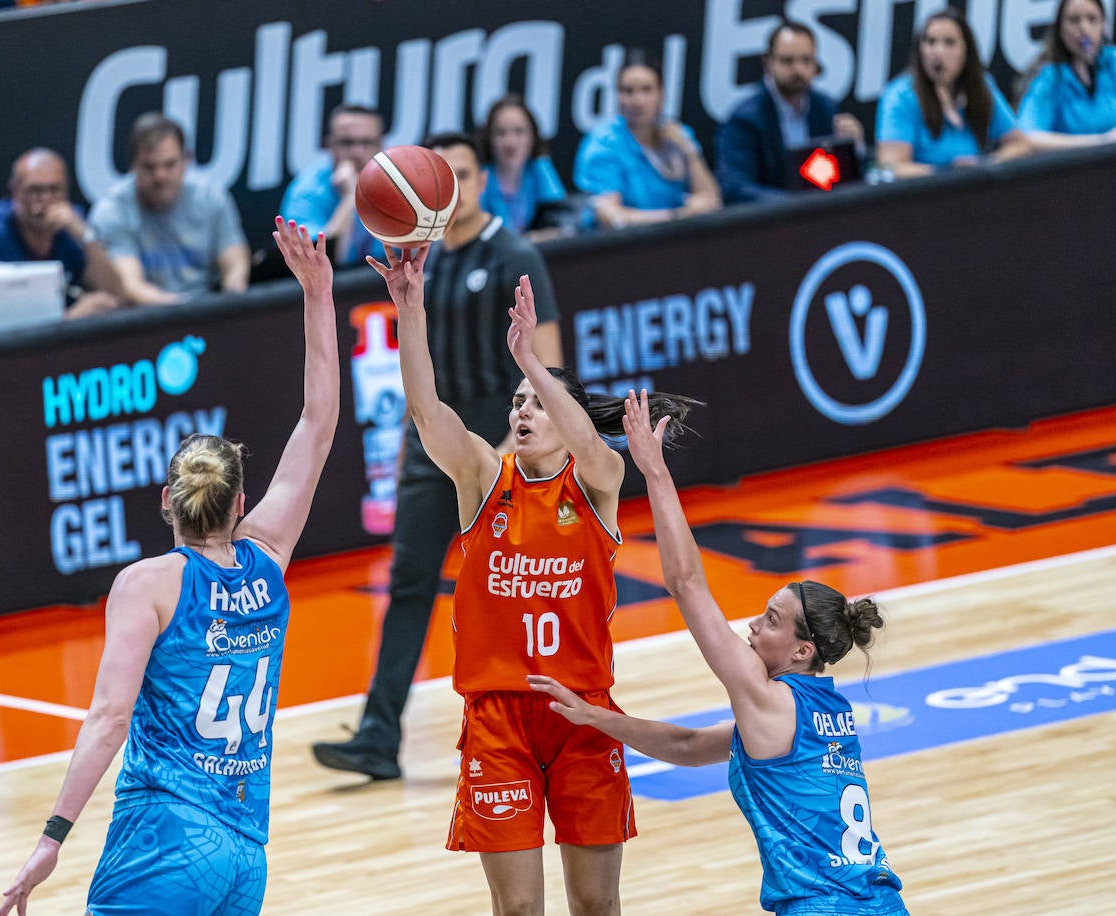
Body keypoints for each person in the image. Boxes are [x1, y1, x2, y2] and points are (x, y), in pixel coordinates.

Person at [0, 216, 338, 916]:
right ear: (241, 501)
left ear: (166, 502)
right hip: (247, 854)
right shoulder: (267, 559)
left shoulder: (147, 585)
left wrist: (52, 837)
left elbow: (109, 718)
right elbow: (318, 421)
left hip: (164, 837)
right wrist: (318, 294)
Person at [369, 239, 697, 914]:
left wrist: (533, 364)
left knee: (595, 907)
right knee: (517, 911)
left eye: (537, 404)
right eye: (517, 402)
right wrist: (410, 310)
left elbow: (592, 447)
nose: (522, 411)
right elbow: (430, 414)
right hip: (499, 719)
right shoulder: (484, 481)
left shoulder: (597, 484)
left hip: (584, 716)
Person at [529, 389, 907, 916]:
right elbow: (687, 746)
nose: (752, 626)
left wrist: (654, 472)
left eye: (770, 621)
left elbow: (685, 583)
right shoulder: (823, 712)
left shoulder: (767, 698)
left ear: (802, 649)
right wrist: (597, 718)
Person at [310, 132, 564, 782]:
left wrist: (516, 450)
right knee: (409, 587)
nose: (454, 186)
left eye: (464, 174)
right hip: (434, 445)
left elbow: (549, 364)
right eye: (444, 175)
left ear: (482, 182)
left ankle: (548, 727)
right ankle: (378, 735)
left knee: (515, 596)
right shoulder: (423, 259)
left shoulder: (514, 253)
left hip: (500, 438)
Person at [88, 112, 251, 305]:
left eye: (170, 164)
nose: (160, 176)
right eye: (150, 167)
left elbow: (234, 258)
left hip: (210, 309)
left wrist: (233, 295)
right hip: (146, 320)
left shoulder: (211, 196)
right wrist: (188, 311)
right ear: (133, 166)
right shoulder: (112, 211)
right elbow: (131, 286)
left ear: (186, 161)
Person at [0, 148, 123, 319]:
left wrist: (86, 237)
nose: (45, 199)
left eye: (55, 189)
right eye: (35, 190)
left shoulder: (72, 226)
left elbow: (115, 293)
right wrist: (69, 319)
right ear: (14, 192)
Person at [715, 21, 867, 204]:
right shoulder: (745, 120)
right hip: (769, 222)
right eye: (788, 61)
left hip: (821, 217)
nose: (798, 70)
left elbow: (847, 179)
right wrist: (793, 205)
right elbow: (735, 187)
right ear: (768, 62)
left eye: (806, 60)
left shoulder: (825, 107)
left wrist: (854, 150)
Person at [573, 50, 721, 229]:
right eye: (628, 91)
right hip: (623, 249)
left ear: (661, 94)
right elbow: (610, 217)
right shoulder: (603, 144)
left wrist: (690, 153)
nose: (638, 100)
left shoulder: (678, 135)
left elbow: (712, 201)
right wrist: (678, 217)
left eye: (647, 89)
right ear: (617, 96)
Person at [875, 9, 1031, 177]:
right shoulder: (900, 96)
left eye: (949, 43)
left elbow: (1020, 144)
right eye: (930, 41)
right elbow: (891, 168)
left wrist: (988, 164)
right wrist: (949, 175)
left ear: (966, 50)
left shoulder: (981, 86)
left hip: (974, 191)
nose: (938, 52)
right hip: (922, 196)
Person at [1016, 0, 1116, 150]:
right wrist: (1104, 140)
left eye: (1092, 19)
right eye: (1074, 20)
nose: (1084, 28)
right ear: (1060, 28)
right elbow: (1028, 137)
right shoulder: (1049, 77)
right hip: (1073, 171)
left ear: (1103, 25)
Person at [279, 104, 389, 267]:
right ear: (330, 144)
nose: (357, 152)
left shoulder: (400, 183)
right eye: (347, 143)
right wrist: (350, 197)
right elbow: (319, 263)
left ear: (381, 145)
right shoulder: (305, 192)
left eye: (367, 142)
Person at [477, 94, 574, 240]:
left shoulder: (540, 168)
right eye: (501, 133)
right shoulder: (479, 178)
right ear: (489, 139)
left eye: (519, 131)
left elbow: (564, 224)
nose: (510, 142)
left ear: (533, 137)